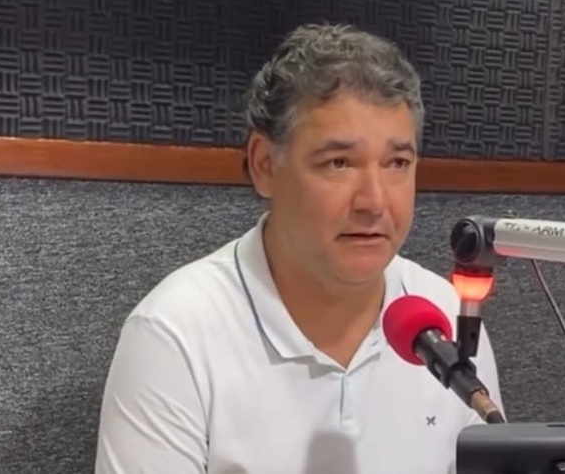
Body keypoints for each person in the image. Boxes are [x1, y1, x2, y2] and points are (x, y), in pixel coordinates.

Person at [94, 23, 504, 474]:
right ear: (265, 165)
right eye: (339, 163)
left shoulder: (446, 315)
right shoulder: (175, 334)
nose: (374, 202)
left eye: (397, 163)